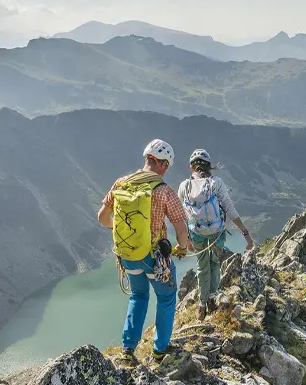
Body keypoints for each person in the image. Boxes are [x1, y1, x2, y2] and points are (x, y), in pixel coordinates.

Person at [98, 139, 189, 361]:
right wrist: (182, 248)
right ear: (164, 164)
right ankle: (160, 349)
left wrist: (127, 231)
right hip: (154, 258)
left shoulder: (120, 183)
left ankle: (128, 349)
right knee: (166, 297)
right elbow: (181, 227)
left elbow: (102, 218)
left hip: (128, 254)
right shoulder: (164, 191)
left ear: (146, 158)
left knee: (138, 296)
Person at [178, 149, 254, 320]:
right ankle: (212, 298)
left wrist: (186, 240)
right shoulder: (216, 183)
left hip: (196, 233)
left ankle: (201, 306)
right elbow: (229, 208)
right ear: (208, 167)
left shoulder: (184, 186)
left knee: (202, 267)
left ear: (192, 168)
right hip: (217, 232)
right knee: (214, 264)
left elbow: (181, 215)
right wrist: (245, 233)